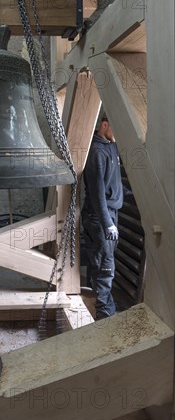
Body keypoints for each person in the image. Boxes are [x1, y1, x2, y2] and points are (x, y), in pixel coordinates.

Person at [81, 113, 127, 320]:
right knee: (105, 264)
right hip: (100, 217)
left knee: (99, 259)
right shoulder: (97, 153)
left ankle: (102, 300)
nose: (119, 134)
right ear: (105, 125)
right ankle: (103, 312)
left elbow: (113, 182)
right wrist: (108, 224)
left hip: (109, 213)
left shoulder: (111, 146)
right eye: (115, 129)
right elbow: (97, 193)